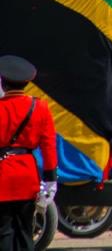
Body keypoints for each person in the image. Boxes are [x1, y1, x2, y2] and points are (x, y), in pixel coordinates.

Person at [0, 55, 58, 251]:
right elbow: (49, 145)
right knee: (25, 231)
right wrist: (50, 178)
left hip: (3, 174)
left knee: (4, 232)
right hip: (27, 175)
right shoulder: (39, 107)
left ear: (2, 81)